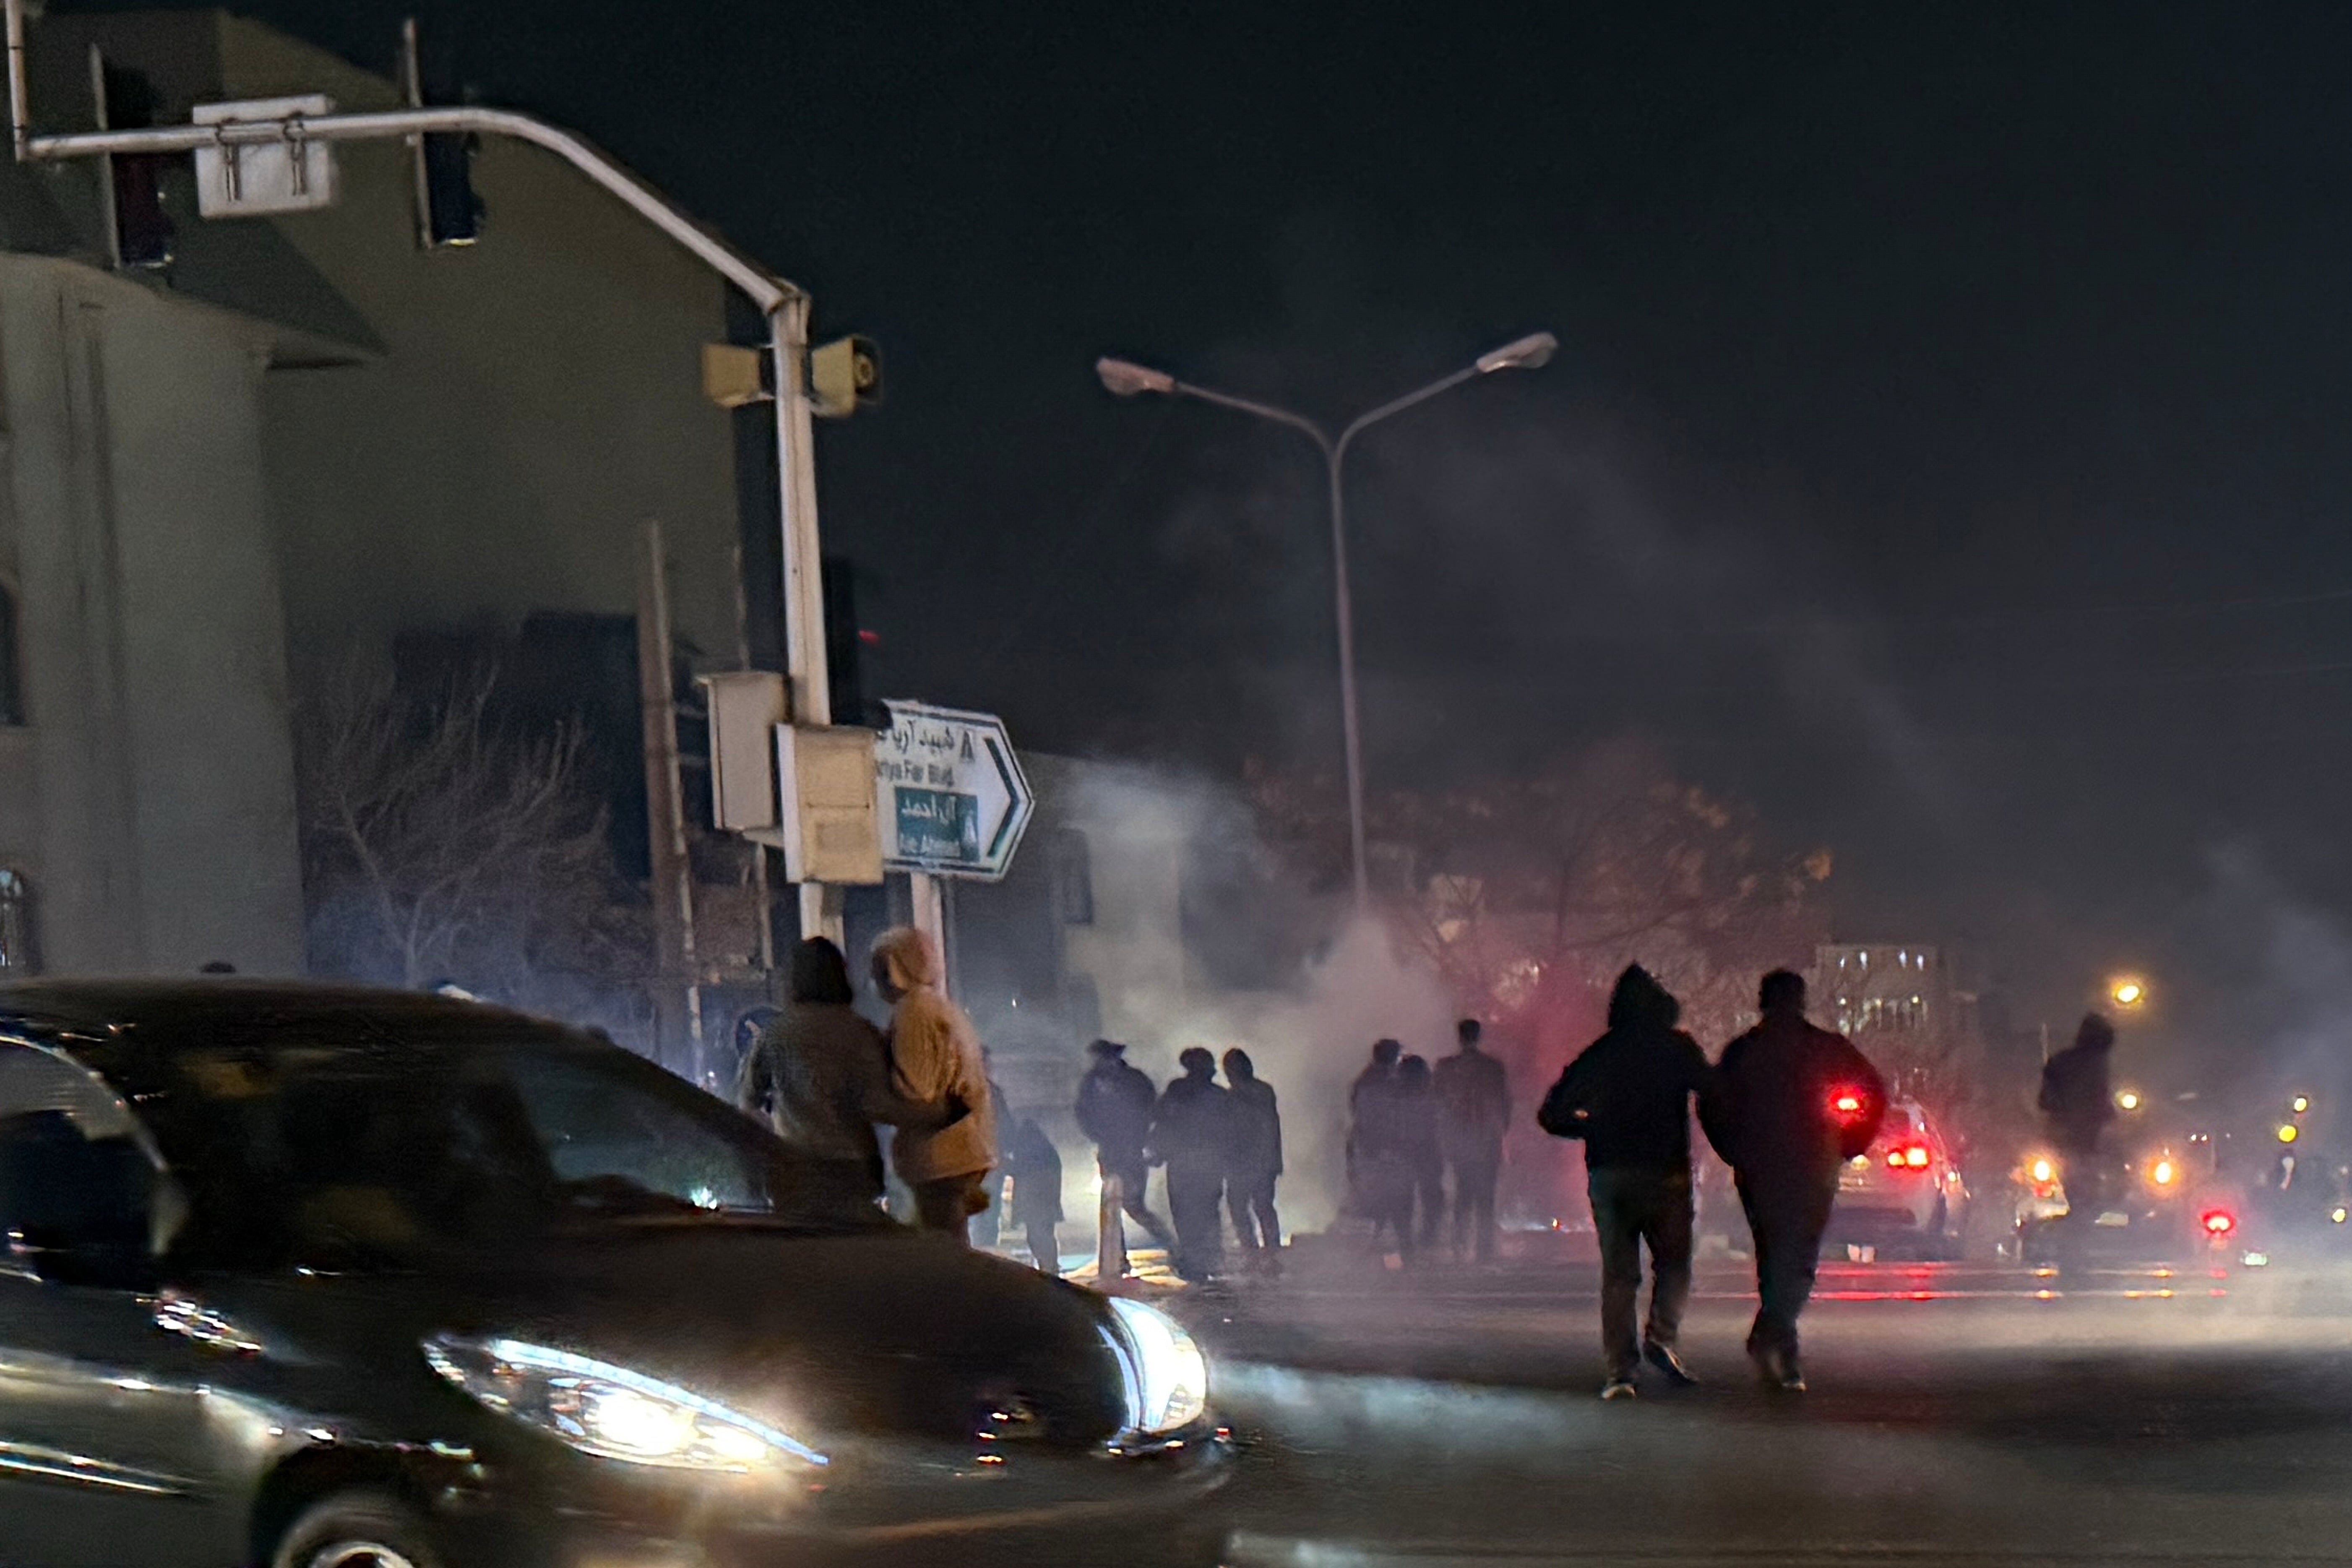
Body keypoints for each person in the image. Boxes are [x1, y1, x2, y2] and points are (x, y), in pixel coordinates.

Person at [1702, 969, 1886, 1392]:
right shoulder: (1828, 1049)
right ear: (1801, 1001)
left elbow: (1713, 1103)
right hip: (1812, 1164)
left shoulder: (1744, 1052)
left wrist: (1733, 1148)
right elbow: (1873, 1091)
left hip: (1760, 1166)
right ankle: (1778, 1339)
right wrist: (1850, 1142)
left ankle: (1777, 1340)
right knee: (1799, 1254)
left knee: (1772, 1253)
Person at [1537, 966, 1714, 1399]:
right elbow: (1715, 1089)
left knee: (1619, 1274)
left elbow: (1552, 1113)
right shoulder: (1677, 1049)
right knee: (1674, 1263)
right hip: (1665, 1171)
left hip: (1610, 1173)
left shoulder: (1601, 1053)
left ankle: (1621, 1371)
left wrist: (1592, 1129)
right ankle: (1662, 1336)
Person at [736, 939, 905, 1212]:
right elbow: (880, 1104)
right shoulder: (861, 1032)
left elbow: (747, 1102)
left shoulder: (776, 1035)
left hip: (796, 1165)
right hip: (854, 1165)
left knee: (804, 1248)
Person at [870, 926, 998, 1240]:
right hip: (962, 1149)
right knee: (949, 1242)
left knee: (942, 1250)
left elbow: (918, 1090)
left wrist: (873, 1097)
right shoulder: (941, 1007)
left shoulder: (913, 1011)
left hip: (939, 1157)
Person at [1075, 1039, 1173, 1248]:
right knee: (1111, 1205)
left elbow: (1151, 1109)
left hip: (1131, 1150)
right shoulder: (1092, 1081)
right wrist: (1098, 1136)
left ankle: (1170, 1244)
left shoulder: (1135, 1080)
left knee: (1133, 1204)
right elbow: (1082, 1112)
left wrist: (1140, 1136)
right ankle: (1117, 1257)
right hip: (1111, 1150)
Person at [1151, 1047, 1233, 1281]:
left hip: (1184, 1163)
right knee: (1208, 1212)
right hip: (1208, 1163)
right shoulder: (1218, 1095)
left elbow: (1160, 1120)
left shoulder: (1177, 1091)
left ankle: (1195, 1262)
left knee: (1186, 1213)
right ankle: (1210, 1260)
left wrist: (1158, 1152)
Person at [1435, 1017, 1511, 1263]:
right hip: (1487, 1140)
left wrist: (1445, 1136)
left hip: (1460, 1140)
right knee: (1486, 1197)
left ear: (1460, 1036)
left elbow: (1438, 1104)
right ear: (1479, 1036)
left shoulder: (1446, 1067)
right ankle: (1484, 1250)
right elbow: (1504, 1105)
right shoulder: (1493, 1067)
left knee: (1463, 1193)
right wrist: (1500, 1133)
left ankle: (1460, 1246)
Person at [2038, 1013, 2118, 1214]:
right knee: (2085, 1184)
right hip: (2086, 1138)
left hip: (2065, 1136)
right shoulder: (2097, 1064)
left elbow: (2045, 1100)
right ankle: (2085, 1217)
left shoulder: (2060, 1062)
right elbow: (2100, 1098)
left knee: (2074, 1182)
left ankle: (2080, 1217)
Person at [1222, 1047, 1284, 1263]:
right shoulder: (1263, 1091)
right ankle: (1270, 1252)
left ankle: (1255, 1252)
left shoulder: (1238, 1096)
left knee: (1243, 1207)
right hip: (1260, 1162)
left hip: (1245, 1163)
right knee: (1262, 1207)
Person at [999, 1112, 1066, 1274]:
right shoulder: (1044, 1149)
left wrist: (1002, 1164)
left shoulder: (1028, 1148)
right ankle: (1050, 1268)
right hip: (1046, 1202)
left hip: (1036, 1203)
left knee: (1038, 1237)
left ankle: (1049, 1269)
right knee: (1044, 1235)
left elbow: (1021, 1169)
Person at [1347, 1039, 1405, 1218]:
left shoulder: (1364, 1080)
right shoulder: (1388, 1083)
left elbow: (1355, 1110)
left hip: (1365, 1144)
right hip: (1379, 1146)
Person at [1396, 1055, 1446, 1253]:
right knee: (1431, 1197)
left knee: (1405, 1198)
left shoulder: (1397, 1096)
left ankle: (1407, 1240)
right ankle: (1428, 1237)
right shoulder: (1433, 1095)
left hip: (1406, 1152)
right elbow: (1443, 1122)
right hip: (1429, 1151)